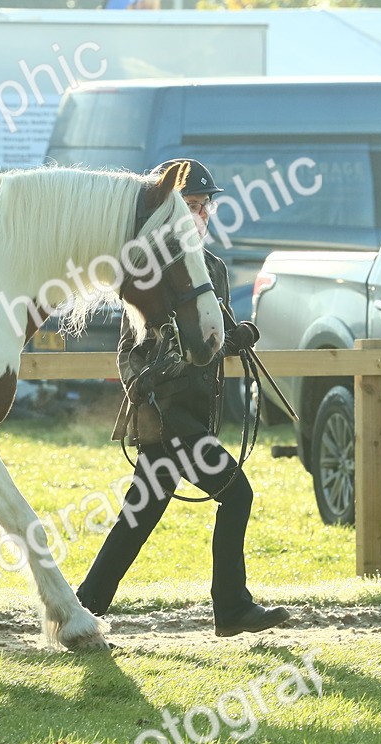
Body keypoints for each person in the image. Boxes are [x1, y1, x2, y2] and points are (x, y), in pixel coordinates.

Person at [75, 158, 291, 638]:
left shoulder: (212, 268)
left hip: (195, 415)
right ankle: (232, 607)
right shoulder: (146, 271)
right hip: (168, 418)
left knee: (138, 518)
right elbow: (129, 351)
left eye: (204, 205)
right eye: (191, 205)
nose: (201, 213)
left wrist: (235, 337)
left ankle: (83, 608)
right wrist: (147, 380)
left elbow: (210, 334)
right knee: (237, 494)